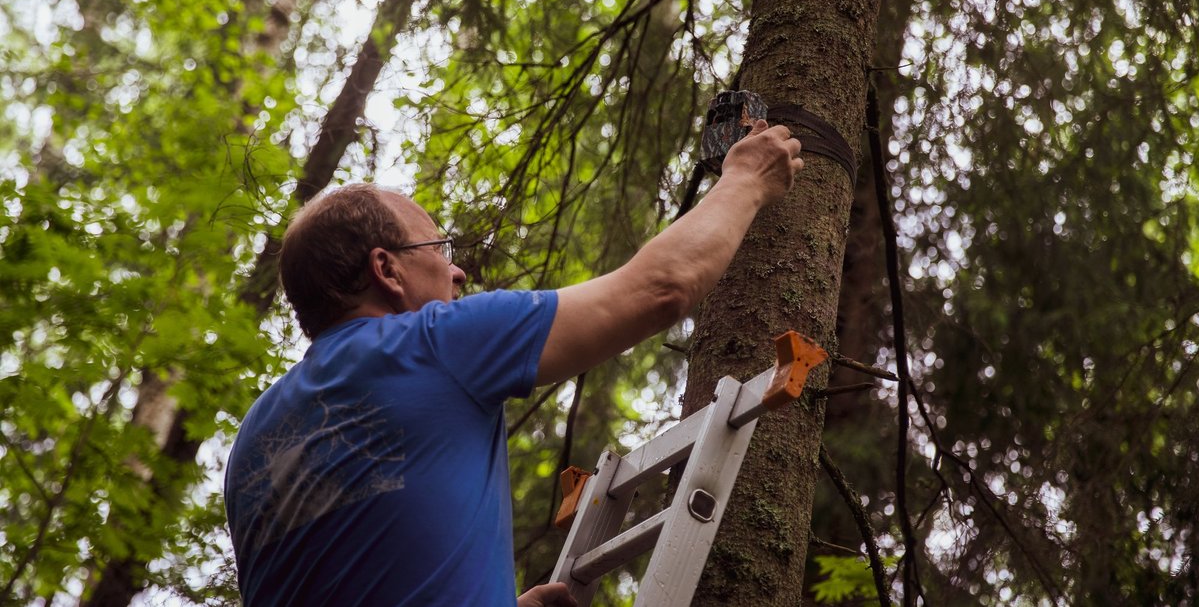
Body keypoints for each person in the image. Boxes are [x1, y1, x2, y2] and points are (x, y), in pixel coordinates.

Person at [224, 119, 803, 606]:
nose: (458, 272)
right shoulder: (432, 343)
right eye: (438, 249)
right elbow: (659, 289)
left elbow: (361, 562)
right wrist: (746, 179)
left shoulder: (255, 438)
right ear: (387, 270)